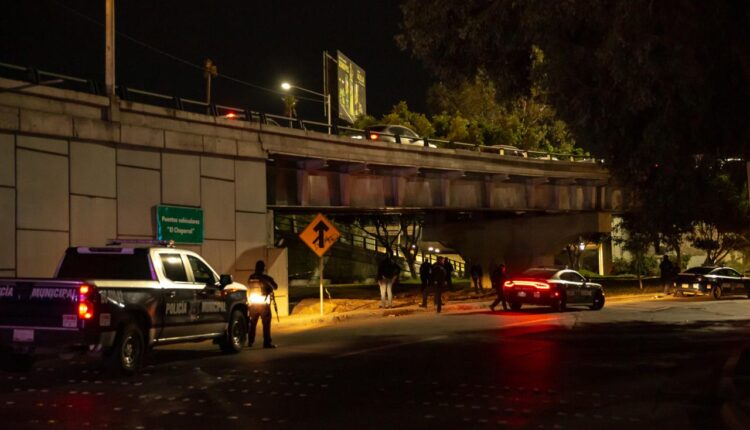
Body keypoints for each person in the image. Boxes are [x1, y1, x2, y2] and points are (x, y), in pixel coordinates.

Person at [247, 260, 278, 349]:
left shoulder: (251, 277)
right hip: (263, 305)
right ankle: (267, 343)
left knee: (252, 324)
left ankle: (250, 341)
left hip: (253, 304)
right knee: (266, 325)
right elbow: (275, 287)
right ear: (263, 268)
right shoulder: (266, 278)